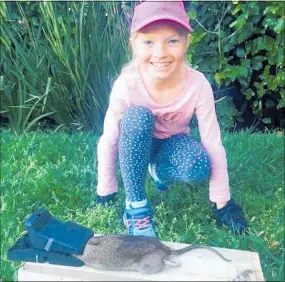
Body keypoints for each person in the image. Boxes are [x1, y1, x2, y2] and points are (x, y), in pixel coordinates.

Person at [95, 0, 248, 237]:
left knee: (198, 165)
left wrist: (223, 202)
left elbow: (212, 141)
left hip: (170, 144)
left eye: (172, 41)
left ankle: (158, 172)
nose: (160, 53)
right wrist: (106, 188)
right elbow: (110, 137)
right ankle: (136, 208)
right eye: (148, 42)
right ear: (133, 44)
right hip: (134, 144)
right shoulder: (127, 84)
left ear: (187, 42)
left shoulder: (197, 84)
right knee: (137, 116)